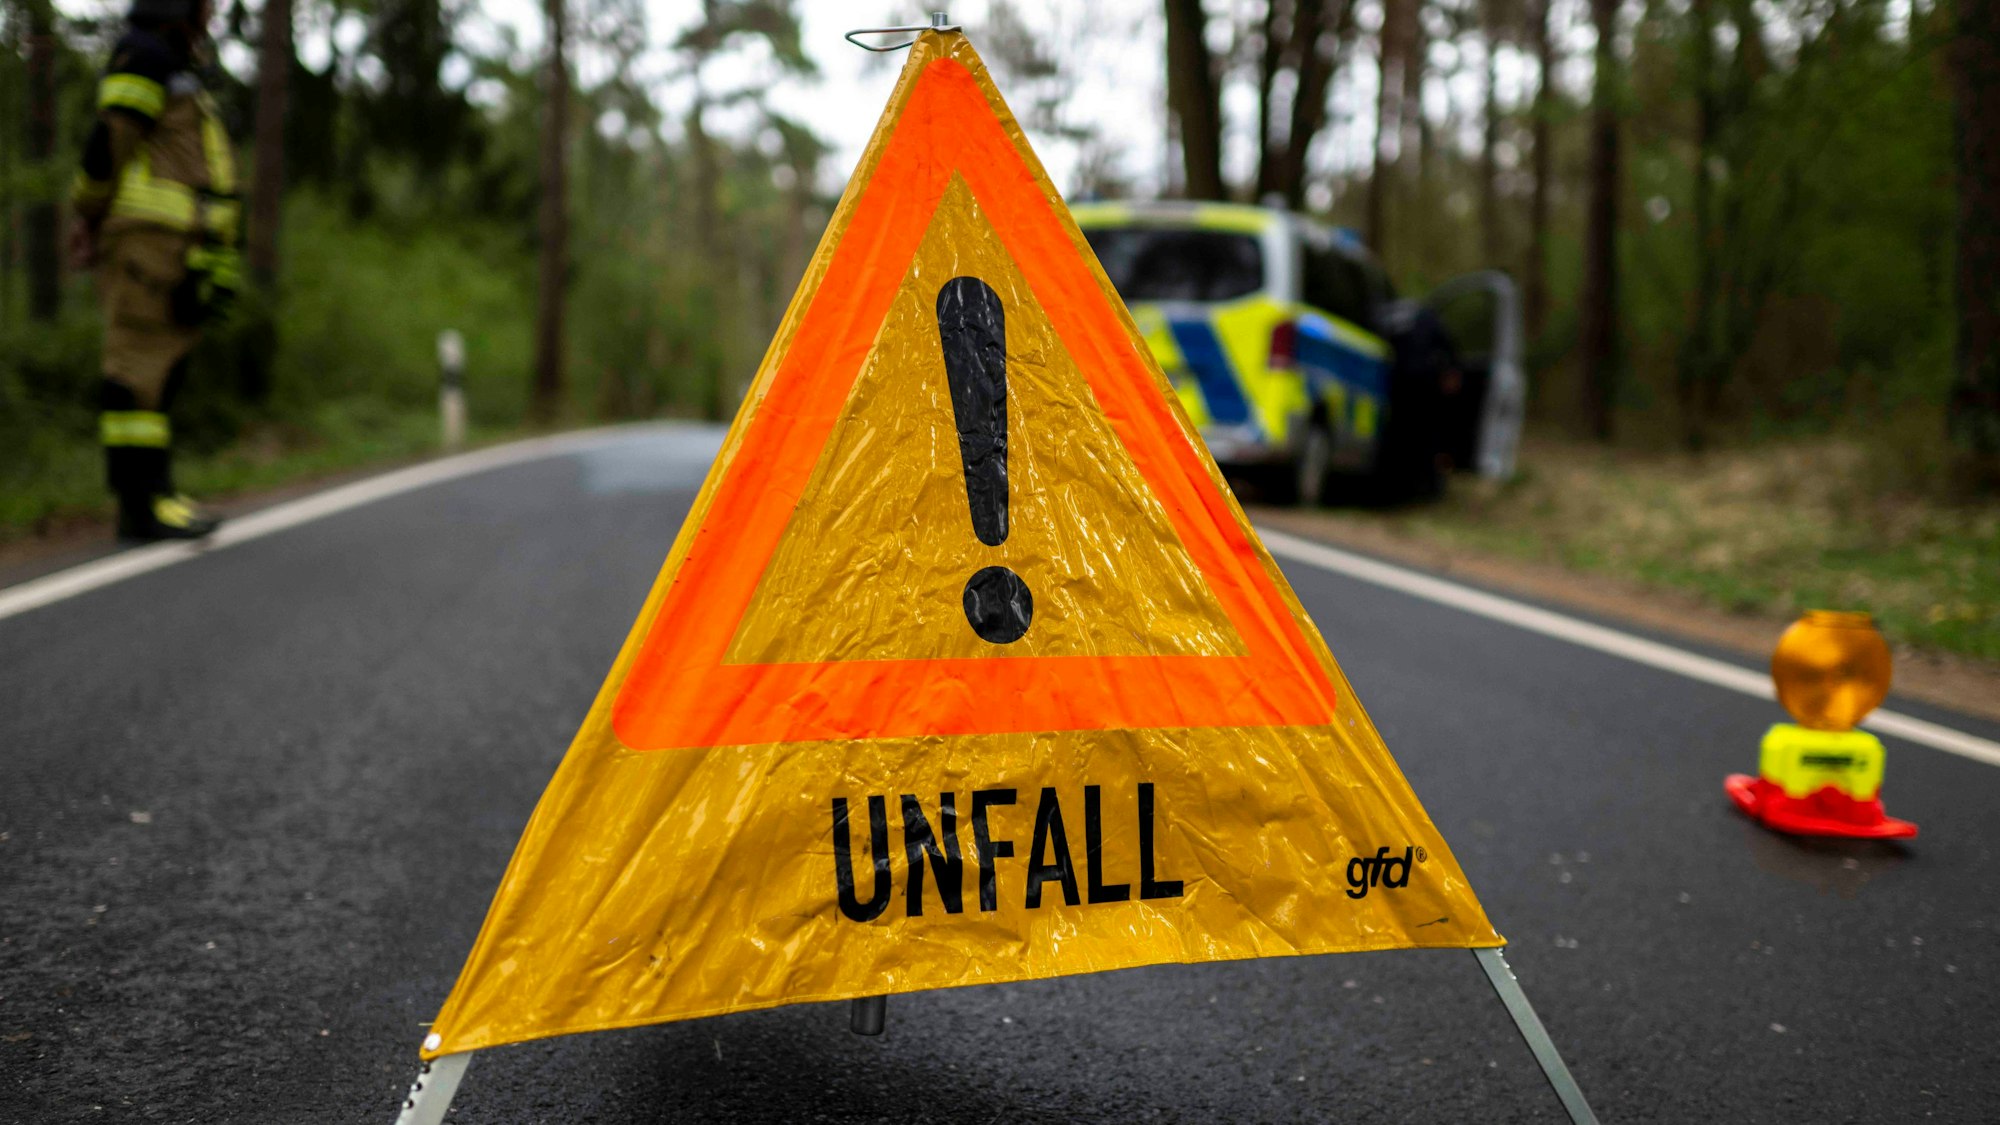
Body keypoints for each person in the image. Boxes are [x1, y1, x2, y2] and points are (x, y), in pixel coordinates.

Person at [69, 0, 239, 541]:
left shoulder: (168, 60)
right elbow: (108, 146)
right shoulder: (144, 56)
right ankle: (143, 503)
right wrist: (87, 215)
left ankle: (152, 498)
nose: (211, 13)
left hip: (173, 243)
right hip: (148, 243)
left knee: (159, 369)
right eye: (204, 4)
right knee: (138, 368)